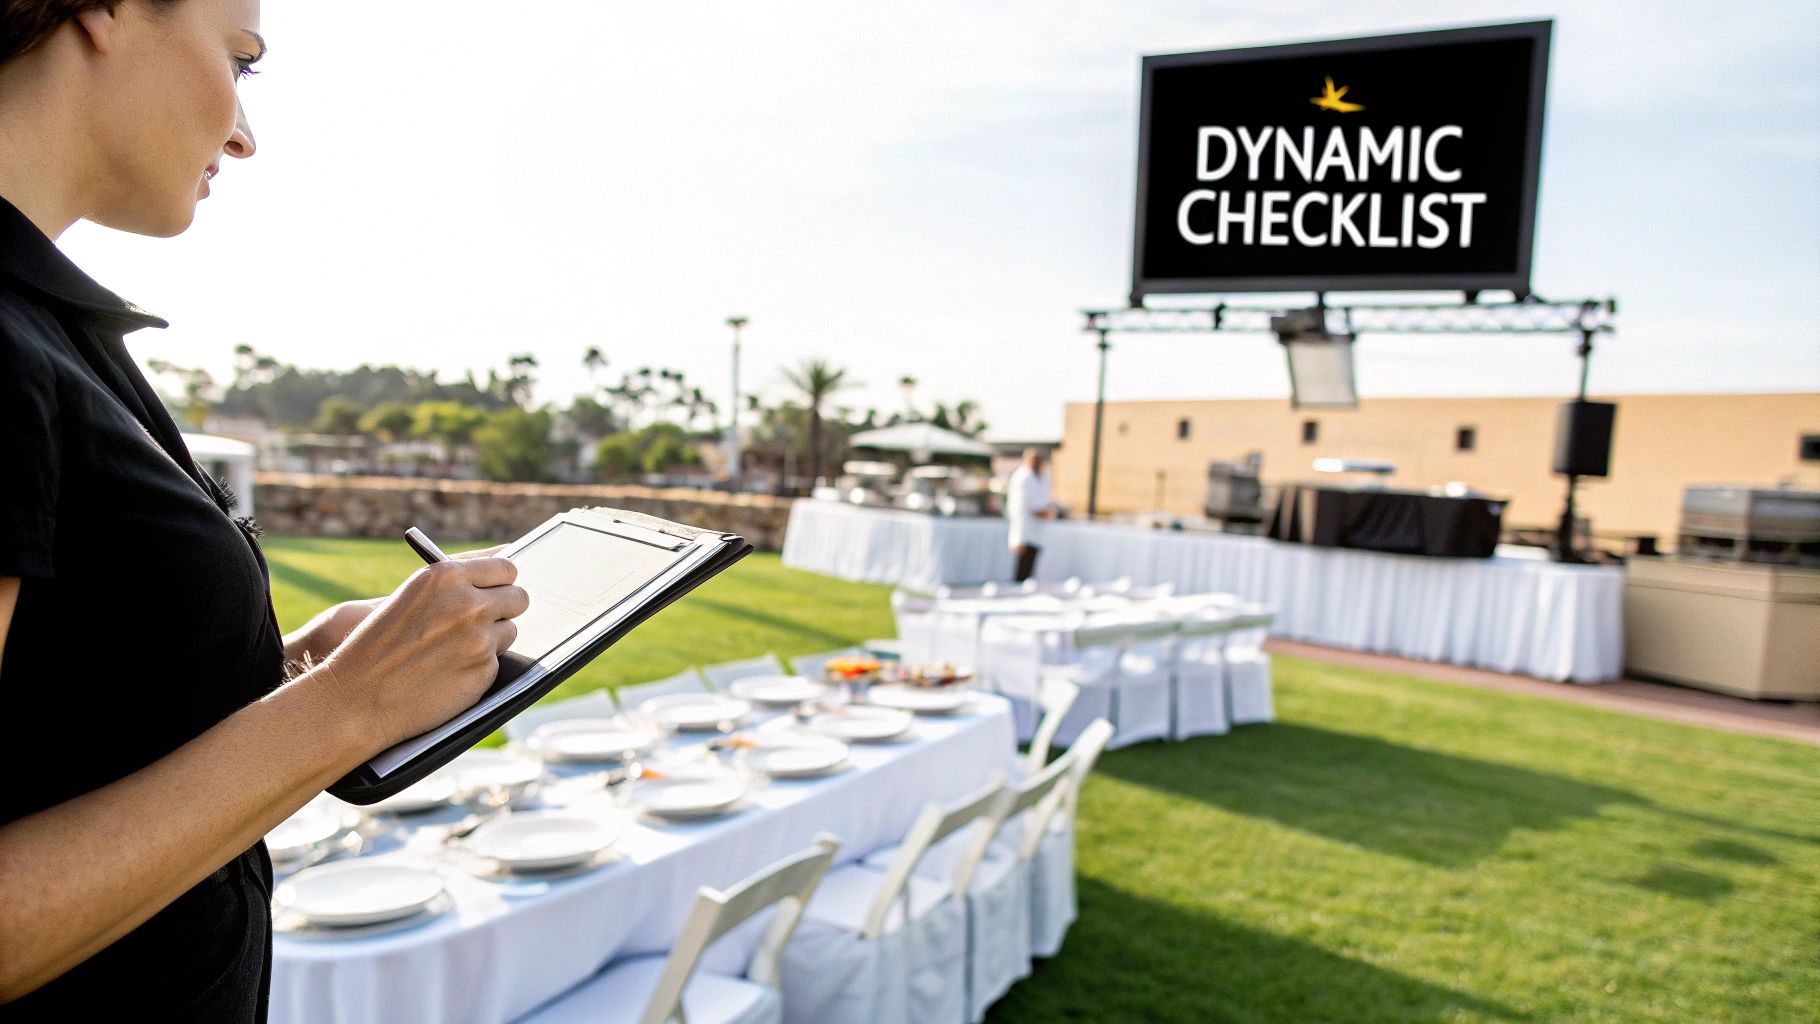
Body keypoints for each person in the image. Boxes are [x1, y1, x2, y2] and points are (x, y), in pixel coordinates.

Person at [0, 2, 530, 1017]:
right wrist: (347, 708)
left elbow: (67, 720)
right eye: (240, 62)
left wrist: (283, 667)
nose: (244, 133)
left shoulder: (52, 323)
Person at [1005, 447, 1057, 583]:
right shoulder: (1026, 477)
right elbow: (1035, 506)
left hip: (1031, 530)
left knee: (1028, 565)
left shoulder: (1035, 476)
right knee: (1023, 568)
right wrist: (1047, 513)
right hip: (1026, 528)